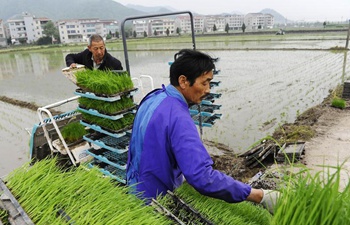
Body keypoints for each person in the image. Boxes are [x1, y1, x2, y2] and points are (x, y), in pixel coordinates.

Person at [126, 49, 279, 214]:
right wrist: (257, 195)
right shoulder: (178, 118)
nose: (208, 90)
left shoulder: (153, 97)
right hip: (154, 202)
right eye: (204, 83)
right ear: (183, 81)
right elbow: (201, 176)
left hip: (134, 189)